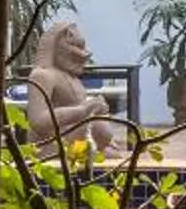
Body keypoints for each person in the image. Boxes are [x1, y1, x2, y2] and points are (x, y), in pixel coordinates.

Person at [23, 20, 116, 148]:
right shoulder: (42, 75)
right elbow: (38, 121)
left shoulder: (72, 78)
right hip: (50, 144)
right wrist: (82, 110)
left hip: (73, 141)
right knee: (99, 128)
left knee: (105, 135)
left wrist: (95, 110)